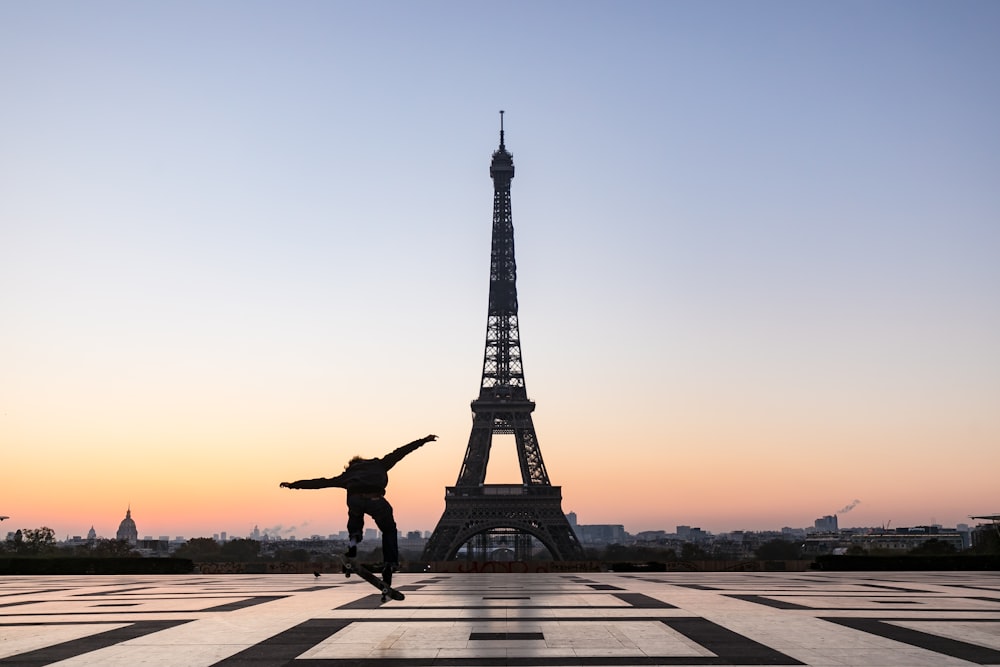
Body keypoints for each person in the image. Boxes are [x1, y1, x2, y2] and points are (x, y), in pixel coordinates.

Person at [279, 434, 437, 586]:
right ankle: (389, 563)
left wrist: (294, 485)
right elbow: (402, 451)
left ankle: (353, 543)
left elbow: (320, 483)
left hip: (355, 499)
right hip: (376, 499)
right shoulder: (380, 464)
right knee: (389, 530)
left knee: (354, 516)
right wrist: (424, 440)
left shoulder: (348, 475)